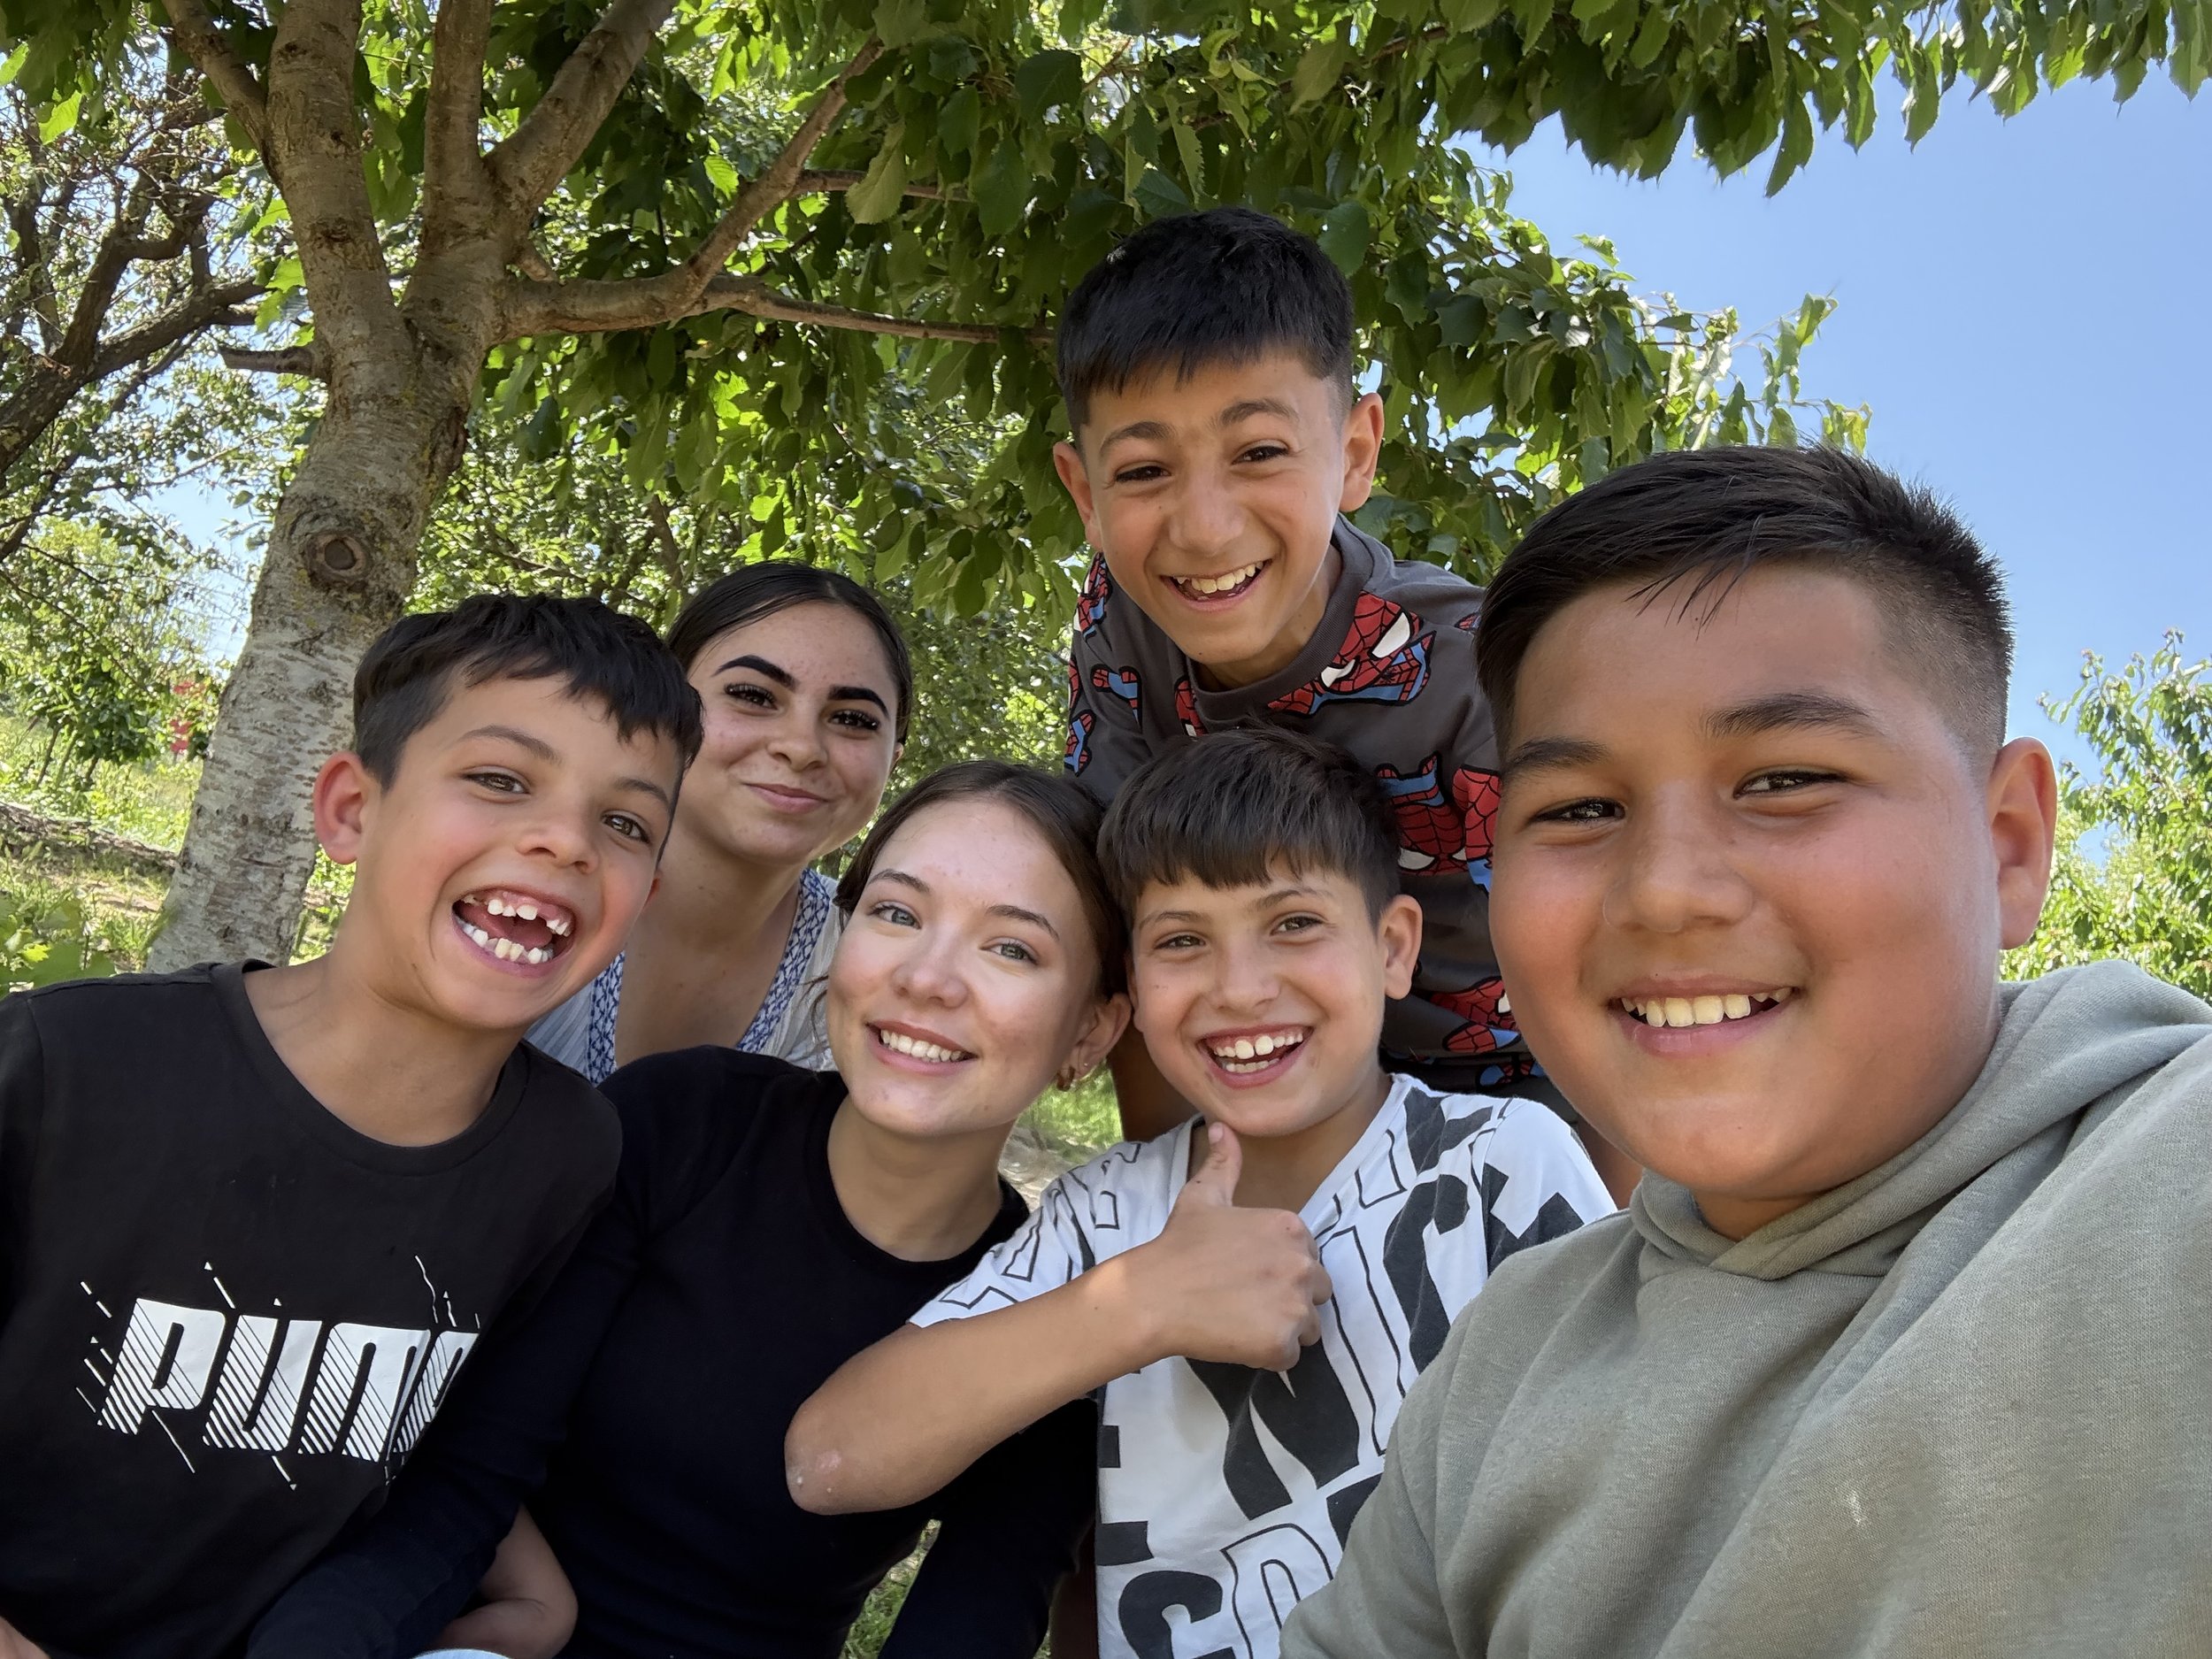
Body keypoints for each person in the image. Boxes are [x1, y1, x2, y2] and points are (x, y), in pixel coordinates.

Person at [1279, 445, 2212, 1659]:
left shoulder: (2169, 1176)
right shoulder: (1507, 1356)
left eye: (1784, 779)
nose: (1665, 891)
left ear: (2010, 844)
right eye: (1579, 808)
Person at [250, 761, 1128, 1659]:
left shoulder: (1050, 1326)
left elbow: (971, 1622)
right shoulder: (685, 1121)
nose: (928, 978)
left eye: (1011, 948)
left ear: (1092, 1032)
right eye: (896, 914)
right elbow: (464, 1479)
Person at [787, 728, 1609, 1659]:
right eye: (1182, 940)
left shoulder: (1504, 1167)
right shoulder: (1105, 1214)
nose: (1241, 988)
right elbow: (831, 1459)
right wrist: (1143, 1305)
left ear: (1392, 947)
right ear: (1131, 989)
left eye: (1293, 924)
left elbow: (1620, 1497)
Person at [0, 595, 703, 1659]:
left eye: (626, 824)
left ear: (645, 893)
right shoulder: (64, 1070)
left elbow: (449, 1453)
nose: (564, 840)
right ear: (351, 809)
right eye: (500, 780)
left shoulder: (565, 1156)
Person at [1044, 205, 1637, 1183]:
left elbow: (1609, 962)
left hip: (1522, 1094)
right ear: (1084, 492)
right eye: (1145, 470)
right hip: (1256, 1068)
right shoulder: (1120, 622)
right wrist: (1180, 1204)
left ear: (1357, 452)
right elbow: (1119, 903)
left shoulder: (1478, 675)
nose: (1201, 527)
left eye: (1259, 452)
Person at [530, 563, 911, 1079]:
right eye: (753, 696)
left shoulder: (878, 967)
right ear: (668, 708)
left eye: (853, 719)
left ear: (893, 761)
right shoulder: (537, 874)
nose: (801, 748)